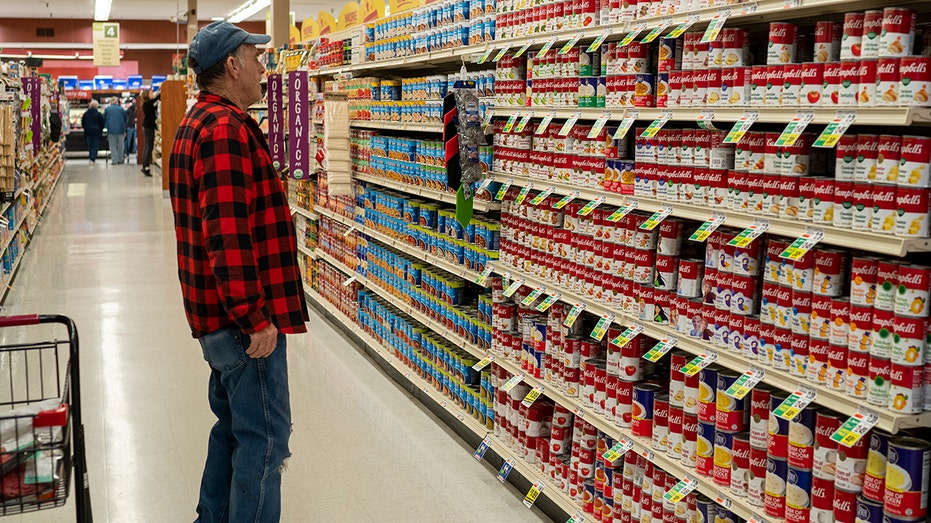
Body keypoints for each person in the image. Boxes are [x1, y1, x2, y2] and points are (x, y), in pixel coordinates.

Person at [168, 20, 308, 523]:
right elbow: (227, 236)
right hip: (240, 324)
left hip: (214, 317)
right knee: (266, 439)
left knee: (231, 429)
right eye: (256, 58)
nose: (263, 68)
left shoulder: (198, 122)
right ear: (232, 65)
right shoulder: (224, 130)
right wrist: (254, 317)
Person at [140, 89, 160, 176]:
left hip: (148, 127)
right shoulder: (147, 104)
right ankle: (146, 167)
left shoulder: (147, 104)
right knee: (149, 147)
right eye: (151, 93)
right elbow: (154, 100)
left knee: (147, 147)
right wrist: (160, 94)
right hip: (148, 127)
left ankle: (145, 166)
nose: (152, 94)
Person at [103, 98, 128, 164]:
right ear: (117, 102)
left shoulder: (107, 109)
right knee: (121, 145)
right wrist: (124, 127)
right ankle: (120, 159)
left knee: (112, 145)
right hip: (121, 129)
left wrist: (106, 127)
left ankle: (114, 160)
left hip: (111, 130)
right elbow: (126, 118)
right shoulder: (121, 109)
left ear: (111, 101)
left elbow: (104, 119)